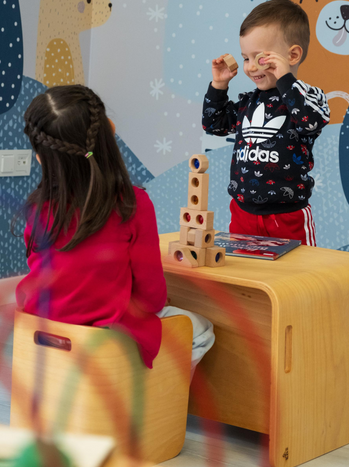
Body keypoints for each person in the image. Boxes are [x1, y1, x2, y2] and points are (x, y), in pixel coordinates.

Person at [13, 85, 214, 378]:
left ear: (41, 157)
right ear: (109, 132)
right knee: (201, 330)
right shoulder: (131, 204)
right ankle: (152, 398)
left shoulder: (38, 207)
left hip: (40, 331)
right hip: (102, 336)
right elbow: (151, 300)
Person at [202, 0, 330, 246]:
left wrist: (284, 78)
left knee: (299, 279)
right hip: (242, 213)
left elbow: (310, 122)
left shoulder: (308, 98)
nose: (250, 67)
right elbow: (213, 125)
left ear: (292, 55)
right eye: (245, 58)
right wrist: (219, 86)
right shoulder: (246, 103)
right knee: (246, 279)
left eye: (260, 58)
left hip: (288, 216)